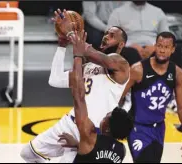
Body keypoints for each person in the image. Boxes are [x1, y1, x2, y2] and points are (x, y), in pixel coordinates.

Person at [20, 9, 130, 163]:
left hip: (90, 131)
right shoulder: (88, 65)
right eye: (106, 33)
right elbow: (55, 79)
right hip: (69, 123)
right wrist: (62, 46)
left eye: (112, 36)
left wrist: (71, 32)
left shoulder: (121, 65)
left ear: (121, 44)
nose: (106, 37)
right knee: (27, 153)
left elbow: (89, 52)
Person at [119, 31, 182, 163]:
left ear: (172, 50)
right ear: (155, 46)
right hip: (137, 128)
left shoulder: (178, 74)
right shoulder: (138, 70)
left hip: (159, 128)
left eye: (166, 47)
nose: (162, 50)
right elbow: (118, 95)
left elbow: (181, 108)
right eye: (159, 46)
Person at [59, 40, 133, 162]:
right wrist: (77, 145)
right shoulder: (121, 150)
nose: (104, 117)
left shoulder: (90, 138)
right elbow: (95, 152)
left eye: (107, 117)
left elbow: (79, 99)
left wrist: (77, 56)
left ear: (107, 128)